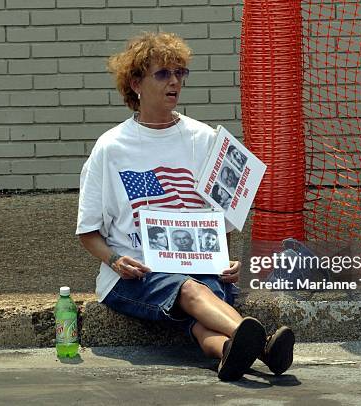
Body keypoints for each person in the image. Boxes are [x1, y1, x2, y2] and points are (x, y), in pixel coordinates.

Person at [76, 32, 294, 381]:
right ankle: (266, 344)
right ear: (135, 83)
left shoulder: (204, 139)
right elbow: (88, 233)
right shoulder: (111, 148)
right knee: (192, 290)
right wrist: (116, 261)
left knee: (199, 305)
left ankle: (227, 352)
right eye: (163, 74)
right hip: (136, 273)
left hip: (199, 268)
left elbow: (220, 222)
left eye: (181, 73)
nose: (175, 81)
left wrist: (224, 258)